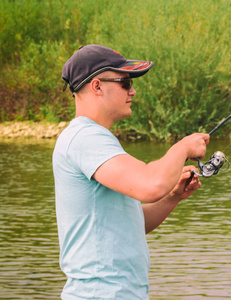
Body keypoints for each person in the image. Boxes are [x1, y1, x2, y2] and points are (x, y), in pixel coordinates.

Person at [53, 44, 210, 299]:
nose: (133, 91)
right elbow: (150, 184)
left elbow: (133, 223)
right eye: (125, 83)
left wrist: (173, 196)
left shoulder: (96, 140)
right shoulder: (85, 138)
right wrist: (182, 147)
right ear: (97, 86)